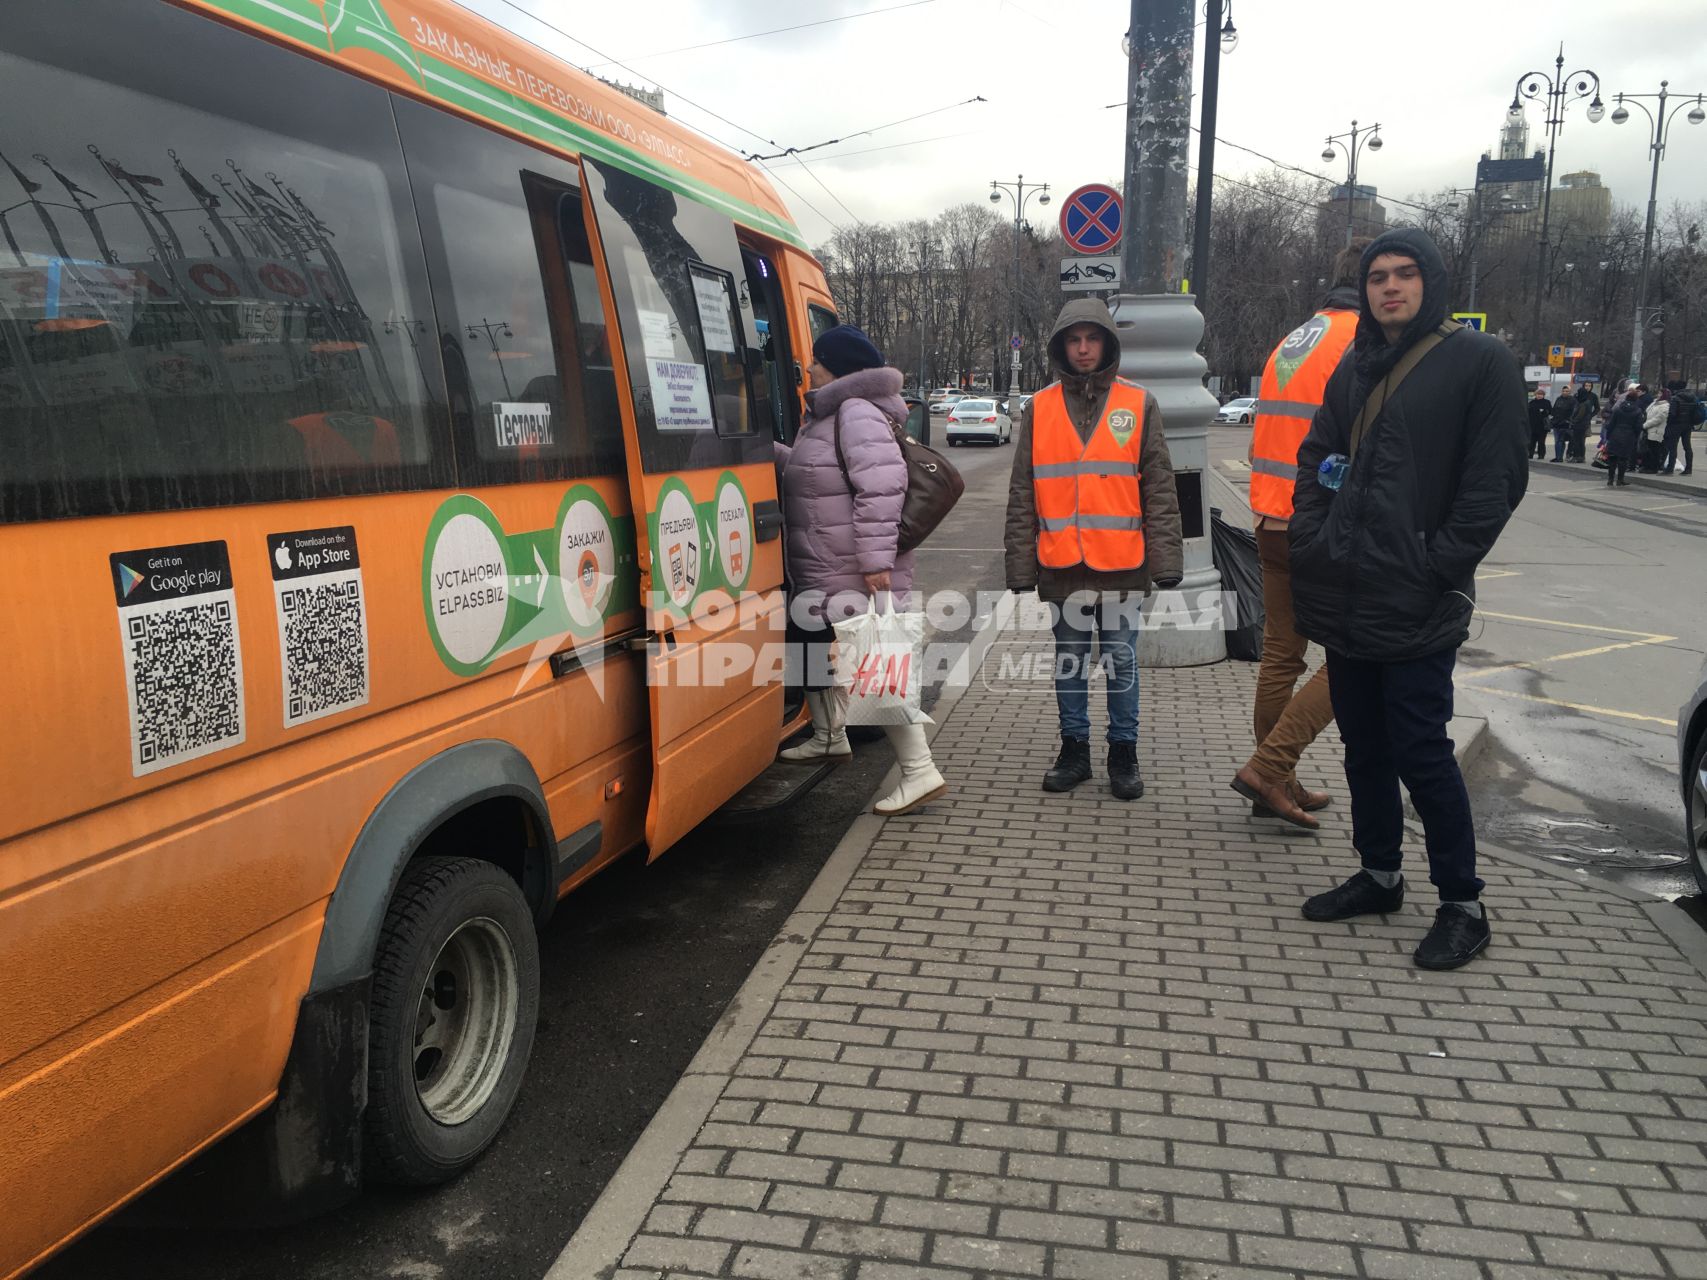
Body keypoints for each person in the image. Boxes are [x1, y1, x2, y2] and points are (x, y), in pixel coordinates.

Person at [1289, 227, 1527, 971]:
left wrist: (1436, 564)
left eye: (1404, 274)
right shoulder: (1355, 365)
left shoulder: (1479, 362)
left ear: (1431, 282)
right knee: (1363, 749)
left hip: (1418, 598)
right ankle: (1380, 874)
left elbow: (1494, 485)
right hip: (1347, 589)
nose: (1389, 287)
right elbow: (1317, 456)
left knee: (1423, 754)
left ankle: (1462, 903)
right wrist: (1312, 535)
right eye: (1377, 277)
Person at [1004, 298, 1183, 801]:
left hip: (1122, 562)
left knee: (1122, 661)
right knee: (1070, 661)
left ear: (1107, 343)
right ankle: (1074, 750)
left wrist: (1167, 561)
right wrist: (1019, 563)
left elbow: (1159, 489)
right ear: (1061, 346)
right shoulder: (1038, 408)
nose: (1083, 349)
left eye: (1092, 339)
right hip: (1062, 561)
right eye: (1073, 340)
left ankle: (1123, 753)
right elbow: (1023, 491)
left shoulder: (1138, 403)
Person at [773, 324, 947, 816]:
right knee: (808, 642)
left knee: (874, 667)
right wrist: (765, 453)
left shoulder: (854, 412)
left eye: (817, 359)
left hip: (853, 568)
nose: (808, 367)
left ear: (839, 367)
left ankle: (919, 770)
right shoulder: (828, 415)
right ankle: (829, 735)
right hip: (824, 563)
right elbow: (816, 476)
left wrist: (874, 563)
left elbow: (882, 489)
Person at [1228, 238, 1368, 829]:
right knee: (1361, 657)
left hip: (1271, 516)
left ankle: (1276, 781)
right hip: (1325, 522)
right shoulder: (1363, 342)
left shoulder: (1296, 339)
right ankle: (1270, 767)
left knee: (1282, 656)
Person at [1603, 386, 1644, 487]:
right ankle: (1620, 480)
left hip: (1615, 435)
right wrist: (1636, 437)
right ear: (1636, 399)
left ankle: (1610, 479)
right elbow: (1638, 427)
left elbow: (1611, 424)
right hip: (1628, 437)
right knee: (1623, 459)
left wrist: (1608, 436)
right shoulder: (1638, 411)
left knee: (1612, 459)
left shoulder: (1618, 409)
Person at [1662, 377, 1697, 475]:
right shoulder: (1693, 397)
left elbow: (1672, 414)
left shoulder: (1675, 398)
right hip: (1688, 425)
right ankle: (1688, 469)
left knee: (1672, 447)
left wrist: (1668, 424)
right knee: (1687, 447)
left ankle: (1670, 469)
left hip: (1676, 425)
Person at [1641, 386, 1671, 473]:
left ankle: (1654, 468)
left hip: (1656, 431)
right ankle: (1647, 466)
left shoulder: (1665, 406)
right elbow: (1647, 412)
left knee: (1655, 451)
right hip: (1649, 430)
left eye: (1660, 393)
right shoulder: (1655, 403)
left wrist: (1645, 425)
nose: (1658, 395)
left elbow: (1658, 419)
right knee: (1648, 450)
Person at [1568, 383, 1598, 462]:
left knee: (1577, 441)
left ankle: (1576, 457)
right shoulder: (1586, 402)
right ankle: (1581, 457)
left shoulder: (1583, 403)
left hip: (1579, 425)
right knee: (1581, 441)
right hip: (1584, 424)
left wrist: (1573, 421)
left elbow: (1580, 415)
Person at [1525, 387, 1553, 460]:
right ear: (1535, 395)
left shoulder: (1547, 402)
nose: (1539, 395)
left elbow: (1550, 412)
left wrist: (1544, 411)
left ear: (1543, 395)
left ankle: (1541, 455)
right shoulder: (1532, 403)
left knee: (1541, 442)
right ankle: (1530, 454)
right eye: (1538, 394)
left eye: (1541, 394)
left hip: (1542, 426)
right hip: (1532, 425)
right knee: (1531, 441)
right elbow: (1527, 413)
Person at [1549, 389, 1574, 461]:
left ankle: (1559, 457)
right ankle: (1558, 457)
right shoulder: (1558, 399)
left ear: (1570, 392)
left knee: (1560, 440)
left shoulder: (1572, 400)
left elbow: (1573, 412)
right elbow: (1554, 410)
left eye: (1567, 391)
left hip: (1565, 424)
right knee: (1557, 441)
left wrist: (1568, 420)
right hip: (1556, 423)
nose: (1565, 392)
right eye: (1563, 391)